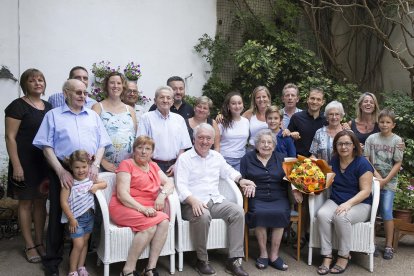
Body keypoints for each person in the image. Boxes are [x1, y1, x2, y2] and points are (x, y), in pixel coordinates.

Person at [33, 79, 111, 276]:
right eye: (78, 92)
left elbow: (102, 143)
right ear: (65, 93)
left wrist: (94, 165)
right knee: (60, 215)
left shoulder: (93, 115)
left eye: (85, 93)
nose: (82, 96)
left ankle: (82, 261)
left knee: (88, 213)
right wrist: (60, 170)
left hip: (88, 170)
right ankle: (52, 263)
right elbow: (46, 145)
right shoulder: (53, 115)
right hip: (62, 169)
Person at [175, 123, 255, 276]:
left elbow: (228, 171)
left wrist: (241, 180)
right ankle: (201, 260)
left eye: (208, 138)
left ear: (213, 141)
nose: (204, 142)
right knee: (203, 215)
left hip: (214, 200)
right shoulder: (184, 159)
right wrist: (193, 201)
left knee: (238, 211)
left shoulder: (216, 156)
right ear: (194, 139)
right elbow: (181, 187)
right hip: (191, 204)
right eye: (201, 138)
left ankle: (234, 260)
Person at [5, 68, 52, 263]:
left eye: (41, 80)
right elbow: (10, 137)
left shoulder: (48, 106)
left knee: (41, 203)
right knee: (25, 203)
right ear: (25, 84)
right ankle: (29, 245)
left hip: (43, 162)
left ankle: (40, 242)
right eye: (33, 80)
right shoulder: (17, 106)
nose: (38, 83)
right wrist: (16, 165)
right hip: (23, 162)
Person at [109, 136, 174, 276]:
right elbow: (122, 195)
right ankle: (127, 270)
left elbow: (169, 183)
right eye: (140, 148)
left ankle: (150, 268)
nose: (143, 152)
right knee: (149, 226)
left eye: (147, 149)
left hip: (148, 207)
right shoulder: (127, 164)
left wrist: (162, 195)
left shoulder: (153, 166)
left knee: (164, 221)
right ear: (134, 150)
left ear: (152, 153)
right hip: (125, 206)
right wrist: (143, 209)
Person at [316, 130, 373, 275]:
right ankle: (327, 255)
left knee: (341, 216)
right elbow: (325, 181)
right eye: (340, 144)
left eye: (347, 143)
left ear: (354, 145)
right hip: (336, 200)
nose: (343, 147)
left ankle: (343, 255)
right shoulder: (334, 161)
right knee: (322, 214)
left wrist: (348, 204)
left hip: (360, 203)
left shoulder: (363, 164)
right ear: (336, 146)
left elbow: (366, 191)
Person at [240, 129, 292, 271]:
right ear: (256, 145)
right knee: (259, 213)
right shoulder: (247, 159)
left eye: (269, 142)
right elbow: (242, 178)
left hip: (278, 196)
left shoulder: (282, 158)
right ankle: (263, 253)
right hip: (257, 195)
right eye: (262, 142)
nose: (266, 145)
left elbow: (292, 178)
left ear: (274, 146)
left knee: (280, 212)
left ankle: (274, 255)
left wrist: (296, 190)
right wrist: (245, 185)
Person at [364, 109, 403, 260]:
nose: (384, 125)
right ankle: (371, 244)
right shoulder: (371, 139)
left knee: (386, 211)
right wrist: (377, 176)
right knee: (371, 212)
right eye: (382, 122)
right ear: (377, 123)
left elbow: (398, 162)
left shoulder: (397, 141)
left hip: (389, 183)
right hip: (372, 180)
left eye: (388, 122)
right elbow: (366, 159)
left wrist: (385, 180)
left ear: (393, 124)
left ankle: (388, 245)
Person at [60, 150, 107, 276]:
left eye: (84, 167)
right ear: (71, 167)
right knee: (78, 245)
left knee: (85, 243)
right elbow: (63, 202)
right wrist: (71, 218)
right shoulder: (69, 183)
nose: (81, 170)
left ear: (89, 166)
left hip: (89, 217)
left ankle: (81, 267)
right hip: (76, 220)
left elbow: (105, 183)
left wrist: (97, 186)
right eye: (77, 167)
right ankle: (72, 270)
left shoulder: (90, 178)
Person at [137, 86, 192, 175]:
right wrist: (152, 165)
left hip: (175, 165)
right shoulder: (146, 118)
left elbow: (183, 147)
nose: (165, 100)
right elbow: (141, 144)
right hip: (151, 165)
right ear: (155, 101)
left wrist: (177, 165)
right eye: (161, 97)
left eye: (168, 98)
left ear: (172, 101)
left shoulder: (179, 119)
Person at [92, 72, 137, 172]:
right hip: (103, 166)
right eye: (112, 83)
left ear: (123, 86)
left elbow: (135, 138)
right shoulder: (98, 107)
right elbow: (91, 138)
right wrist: (102, 161)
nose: (116, 86)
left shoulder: (130, 110)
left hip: (128, 166)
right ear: (106, 86)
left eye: (119, 83)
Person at [287, 87, 326, 157]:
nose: (314, 102)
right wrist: (291, 135)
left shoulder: (327, 119)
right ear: (307, 99)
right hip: (299, 161)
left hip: (320, 162)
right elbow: (287, 137)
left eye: (318, 99)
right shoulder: (296, 117)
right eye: (312, 98)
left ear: (322, 102)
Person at [218, 91, 250, 171]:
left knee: (239, 183)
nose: (237, 106)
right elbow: (216, 143)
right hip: (224, 159)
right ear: (228, 106)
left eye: (239, 103)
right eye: (233, 103)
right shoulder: (222, 121)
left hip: (241, 160)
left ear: (243, 105)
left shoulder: (246, 121)